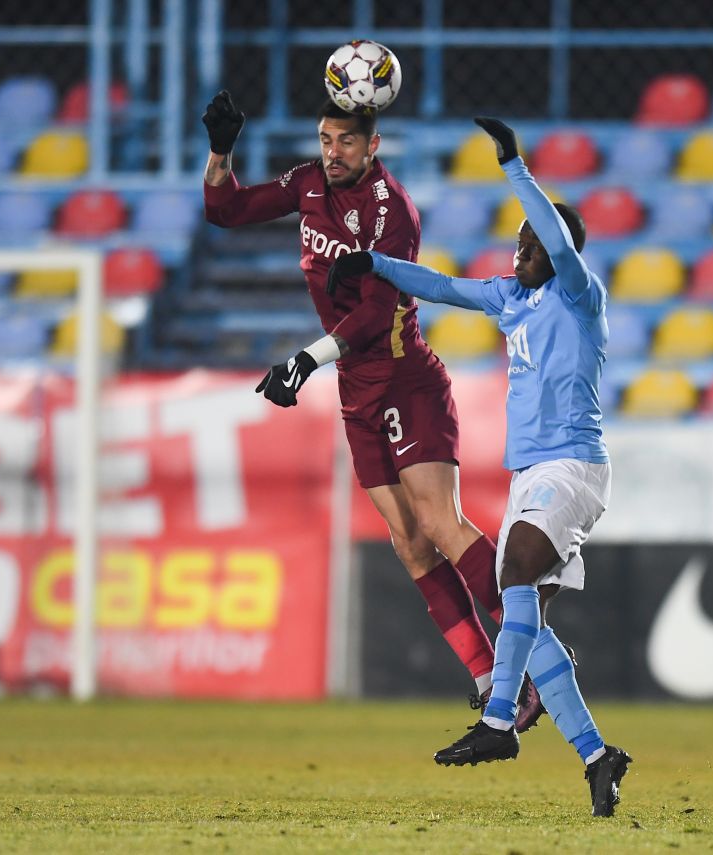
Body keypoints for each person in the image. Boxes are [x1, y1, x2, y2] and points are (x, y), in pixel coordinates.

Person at [200, 91, 541, 726]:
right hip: (357, 390)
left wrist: (305, 358)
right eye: (326, 140)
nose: (333, 153)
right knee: (410, 545)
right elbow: (225, 210)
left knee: (440, 522)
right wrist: (221, 150)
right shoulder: (306, 184)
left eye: (347, 142)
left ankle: (540, 656)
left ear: (373, 145)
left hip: (405, 379)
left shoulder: (393, 213)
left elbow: (378, 311)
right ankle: (493, 675)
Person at [326, 117, 632, 818]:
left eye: (532, 245)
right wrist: (373, 265)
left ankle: (497, 720)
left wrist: (513, 167)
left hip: (572, 465)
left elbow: (554, 235)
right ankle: (596, 754)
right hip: (535, 475)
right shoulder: (512, 299)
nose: (522, 252)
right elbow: (439, 286)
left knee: (514, 568)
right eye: (519, 243)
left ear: (560, 254)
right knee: (531, 618)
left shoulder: (580, 300)